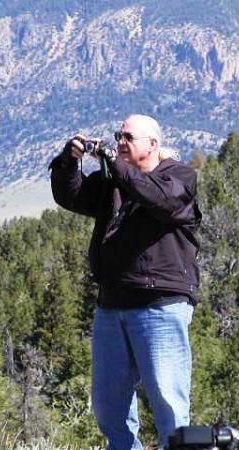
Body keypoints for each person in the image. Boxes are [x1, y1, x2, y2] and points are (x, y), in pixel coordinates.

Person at [49, 114, 202, 449]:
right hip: (112, 305)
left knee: (167, 402)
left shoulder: (178, 177)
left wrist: (111, 163)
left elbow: (158, 199)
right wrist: (68, 162)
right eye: (118, 135)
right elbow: (72, 196)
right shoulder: (115, 183)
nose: (120, 141)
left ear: (153, 144)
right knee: (108, 405)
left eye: (128, 137)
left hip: (160, 306)